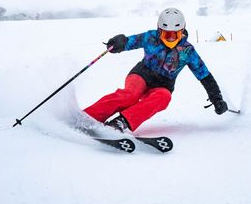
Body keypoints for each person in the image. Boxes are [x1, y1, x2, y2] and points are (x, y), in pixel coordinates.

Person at [83, 8, 228, 132]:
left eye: (175, 34)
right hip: (142, 74)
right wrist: (120, 43)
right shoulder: (151, 37)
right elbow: (130, 42)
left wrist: (216, 98)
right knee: (131, 95)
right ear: (160, 30)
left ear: (182, 31)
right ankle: (88, 117)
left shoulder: (188, 51)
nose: (171, 39)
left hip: (163, 85)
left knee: (164, 98)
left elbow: (204, 75)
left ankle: (121, 123)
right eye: (167, 34)